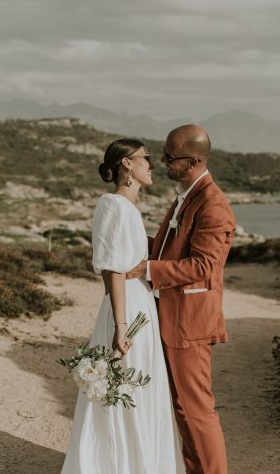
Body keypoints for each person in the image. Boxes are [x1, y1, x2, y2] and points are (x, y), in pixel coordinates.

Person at [61, 138, 184, 474]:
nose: (151, 164)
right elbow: (112, 268)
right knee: (123, 387)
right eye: (145, 158)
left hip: (136, 303)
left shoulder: (128, 207)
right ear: (127, 165)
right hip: (126, 309)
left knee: (138, 388)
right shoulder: (113, 205)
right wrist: (119, 324)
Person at [127, 125, 236, 474]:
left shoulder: (213, 205)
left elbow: (203, 266)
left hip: (189, 321)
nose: (161, 161)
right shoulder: (185, 195)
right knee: (181, 407)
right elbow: (166, 247)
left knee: (195, 409)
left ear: (192, 161)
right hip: (171, 315)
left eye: (170, 157)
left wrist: (149, 270)